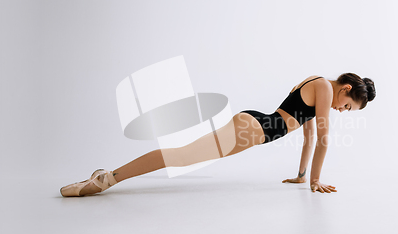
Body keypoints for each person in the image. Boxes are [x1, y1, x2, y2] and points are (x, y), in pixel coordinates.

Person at [60, 73, 376, 197]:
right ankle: (106, 178)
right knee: (179, 156)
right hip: (253, 129)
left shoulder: (319, 88)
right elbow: (322, 137)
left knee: (180, 155)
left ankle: (107, 176)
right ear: (346, 89)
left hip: (253, 128)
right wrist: (315, 183)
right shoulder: (322, 86)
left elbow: (308, 137)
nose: (341, 111)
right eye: (347, 106)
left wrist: (303, 175)